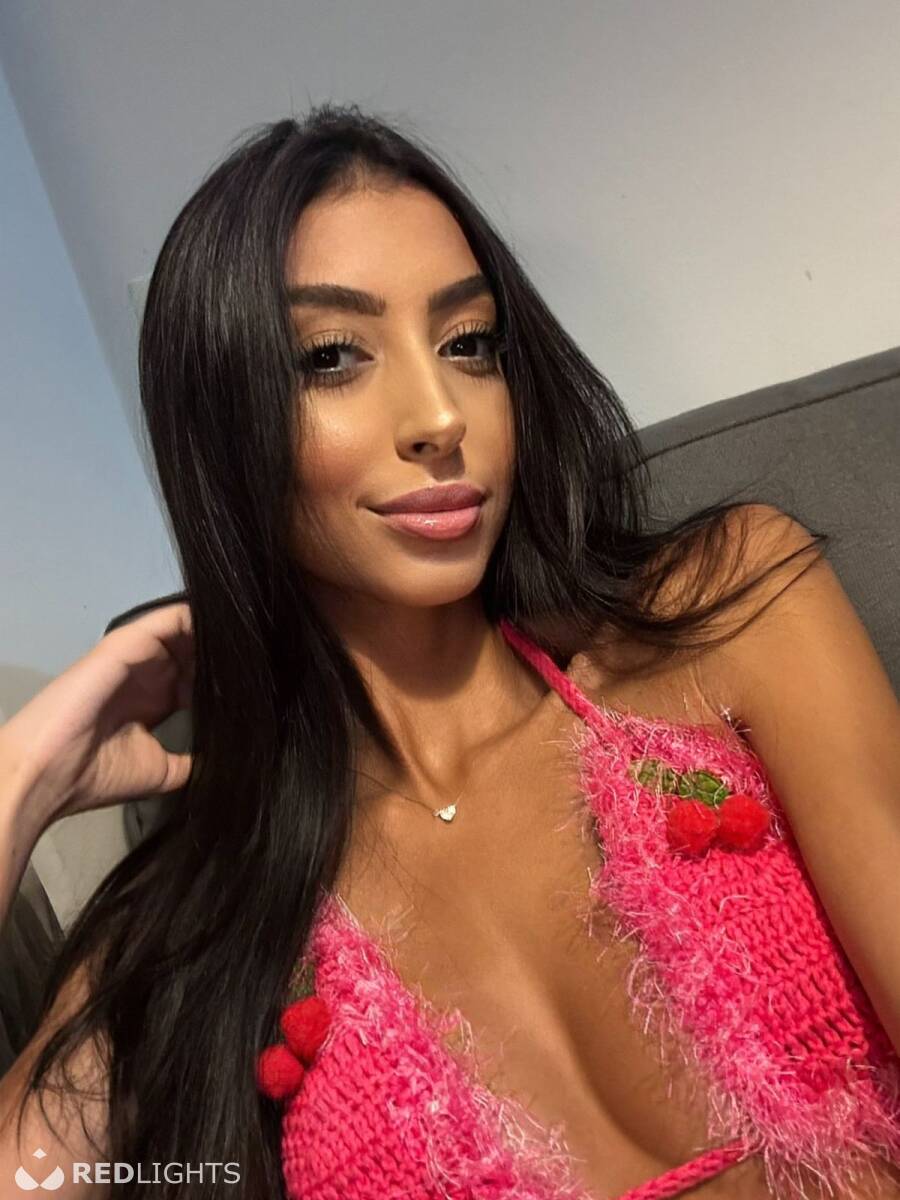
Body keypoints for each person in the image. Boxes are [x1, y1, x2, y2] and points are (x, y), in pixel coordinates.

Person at [1, 102, 898, 1200]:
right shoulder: (203, 925)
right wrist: (21, 779)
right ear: (221, 427)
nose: (439, 415)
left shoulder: (729, 613)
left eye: (468, 343)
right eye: (332, 357)